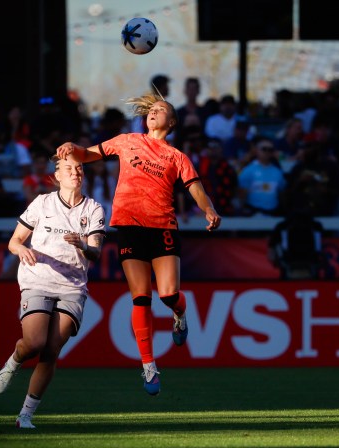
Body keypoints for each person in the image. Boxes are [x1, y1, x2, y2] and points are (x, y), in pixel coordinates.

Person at [56, 93, 221, 396]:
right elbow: (89, 154)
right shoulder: (127, 140)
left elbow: (195, 188)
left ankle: (180, 314)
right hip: (129, 227)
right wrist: (72, 149)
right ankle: (148, 364)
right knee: (141, 297)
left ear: (171, 122)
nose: (154, 112)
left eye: (161, 110)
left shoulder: (177, 157)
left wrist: (208, 209)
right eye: (152, 110)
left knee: (169, 294)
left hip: (163, 227)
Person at [0, 152, 106, 429]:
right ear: (57, 176)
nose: (75, 172)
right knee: (34, 343)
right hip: (38, 279)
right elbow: (14, 241)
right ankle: (14, 360)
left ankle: (25, 416)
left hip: (72, 286)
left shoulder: (93, 209)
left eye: (79, 168)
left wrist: (83, 245)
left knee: (51, 350)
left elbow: (96, 253)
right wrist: (21, 249)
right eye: (68, 168)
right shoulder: (42, 203)